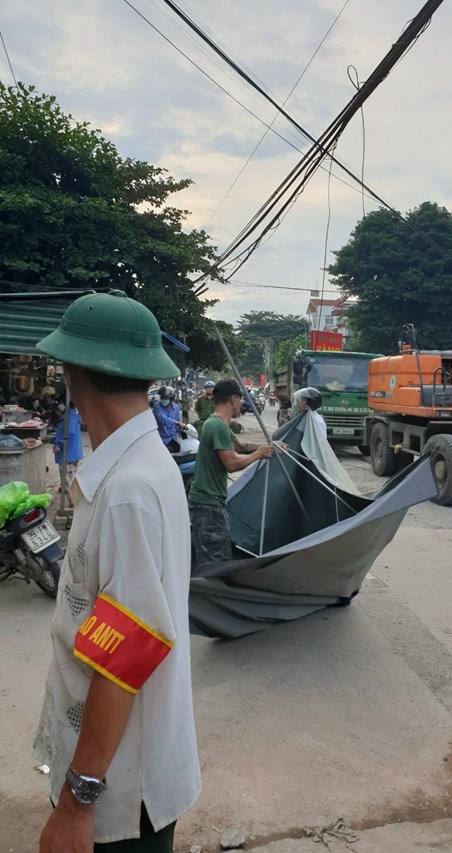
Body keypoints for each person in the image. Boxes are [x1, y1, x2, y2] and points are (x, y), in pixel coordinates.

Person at [34, 290, 200, 851]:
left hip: (122, 794)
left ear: (73, 373)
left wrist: (77, 805)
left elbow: (122, 655)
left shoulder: (129, 490)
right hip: (116, 772)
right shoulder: (135, 469)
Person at [188, 379, 274, 565]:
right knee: (214, 561)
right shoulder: (217, 426)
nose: (241, 405)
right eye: (240, 400)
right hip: (207, 506)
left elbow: (241, 447)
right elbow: (232, 464)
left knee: (216, 553)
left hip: (210, 503)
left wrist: (269, 447)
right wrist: (259, 454)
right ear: (233, 399)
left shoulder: (218, 424)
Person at [52, 400, 83, 506]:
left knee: (68, 482)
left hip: (67, 454)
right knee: (72, 479)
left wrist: (58, 444)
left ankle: (75, 503)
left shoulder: (68, 417)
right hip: (73, 453)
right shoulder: (74, 415)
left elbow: (70, 433)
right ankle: (75, 501)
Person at [151, 385, 184, 452]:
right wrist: (177, 423)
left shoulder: (176, 407)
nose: (163, 400)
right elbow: (162, 419)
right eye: (161, 398)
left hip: (174, 439)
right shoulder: (157, 406)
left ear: (171, 399)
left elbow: (178, 422)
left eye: (165, 398)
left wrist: (181, 430)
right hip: (162, 440)